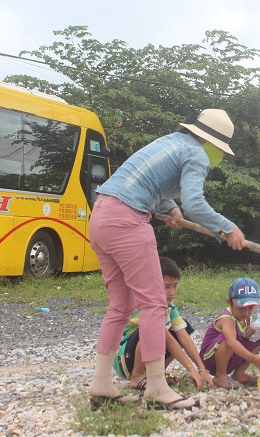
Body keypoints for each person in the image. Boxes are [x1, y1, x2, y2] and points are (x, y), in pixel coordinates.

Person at [88, 109, 247, 410]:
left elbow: (147, 182)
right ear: (211, 143)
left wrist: (170, 206)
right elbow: (196, 203)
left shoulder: (169, 141)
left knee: (120, 306)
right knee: (154, 304)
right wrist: (227, 227)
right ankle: (157, 388)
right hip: (128, 221)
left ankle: (101, 384)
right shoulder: (197, 155)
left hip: (102, 215)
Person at [113, 256, 214, 392]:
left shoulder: (169, 307)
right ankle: (137, 377)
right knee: (152, 329)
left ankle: (155, 374)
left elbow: (183, 336)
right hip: (125, 359)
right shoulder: (146, 305)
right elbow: (169, 340)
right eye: (166, 287)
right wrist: (191, 369)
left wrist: (201, 369)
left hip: (142, 354)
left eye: (175, 286)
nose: (172, 292)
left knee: (185, 327)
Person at [199, 277, 260, 389]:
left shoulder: (246, 318)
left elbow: (242, 338)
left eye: (250, 308)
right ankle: (220, 375)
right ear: (229, 302)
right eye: (241, 308)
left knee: (257, 339)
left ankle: (239, 374)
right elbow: (231, 342)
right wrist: (253, 358)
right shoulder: (227, 319)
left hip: (230, 357)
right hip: (211, 359)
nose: (246, 313)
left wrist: (248, 335)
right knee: (229, 340)